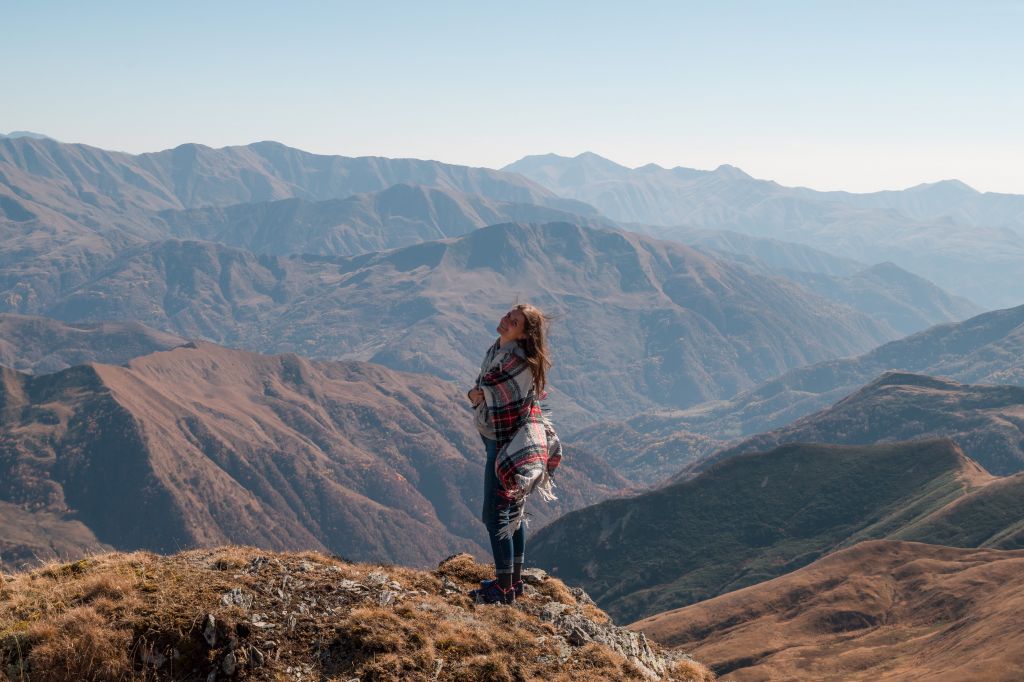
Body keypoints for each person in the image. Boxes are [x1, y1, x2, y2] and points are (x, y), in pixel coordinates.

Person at [466, 304, 562, 605]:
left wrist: (476, 395)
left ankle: (504, 589)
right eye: (508, 315)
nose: (506, 320)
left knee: (495, 515)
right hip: (502, 438)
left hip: (505, 442)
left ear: (524, 334)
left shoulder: (513, 360)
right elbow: (483, 390)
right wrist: (478, 394)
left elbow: (485, 390)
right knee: (513, 512)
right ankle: (514, 582)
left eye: (515, 321)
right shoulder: (500, 350)